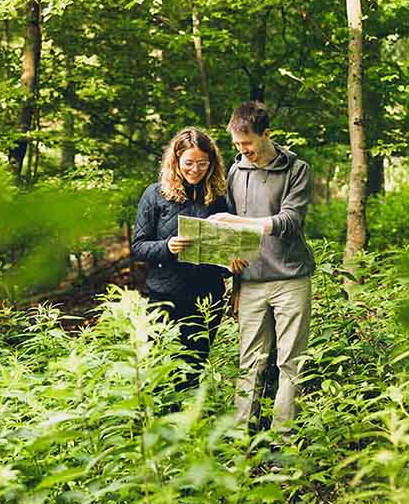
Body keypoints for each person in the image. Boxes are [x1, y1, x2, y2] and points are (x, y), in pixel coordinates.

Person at [208, 101, 314, 432]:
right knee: (249, 362)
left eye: (247, 144)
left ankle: (284, 440)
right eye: (237, 145)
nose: (242, 151)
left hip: (290, 278)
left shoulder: (297, 169)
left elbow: (291, 221)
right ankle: (241, 439)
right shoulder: (237, 172)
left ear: (266, 134)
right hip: (252, 282)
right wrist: (236, 284)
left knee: (289, 362)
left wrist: (240, 223)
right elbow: (236, 243)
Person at [131, 127, 244, 390]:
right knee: (161, 370)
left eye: (203, 163)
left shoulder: (219, 199)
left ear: (212, 163)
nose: (196, 169)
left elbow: (226, 252)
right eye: (189, 163)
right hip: (164, 298)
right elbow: (138, 246)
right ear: (176, 161)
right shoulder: (154, 195)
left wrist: (230, 265)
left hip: (206, 299)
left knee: (194, 369)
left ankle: (188, 425)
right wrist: (167, 247)